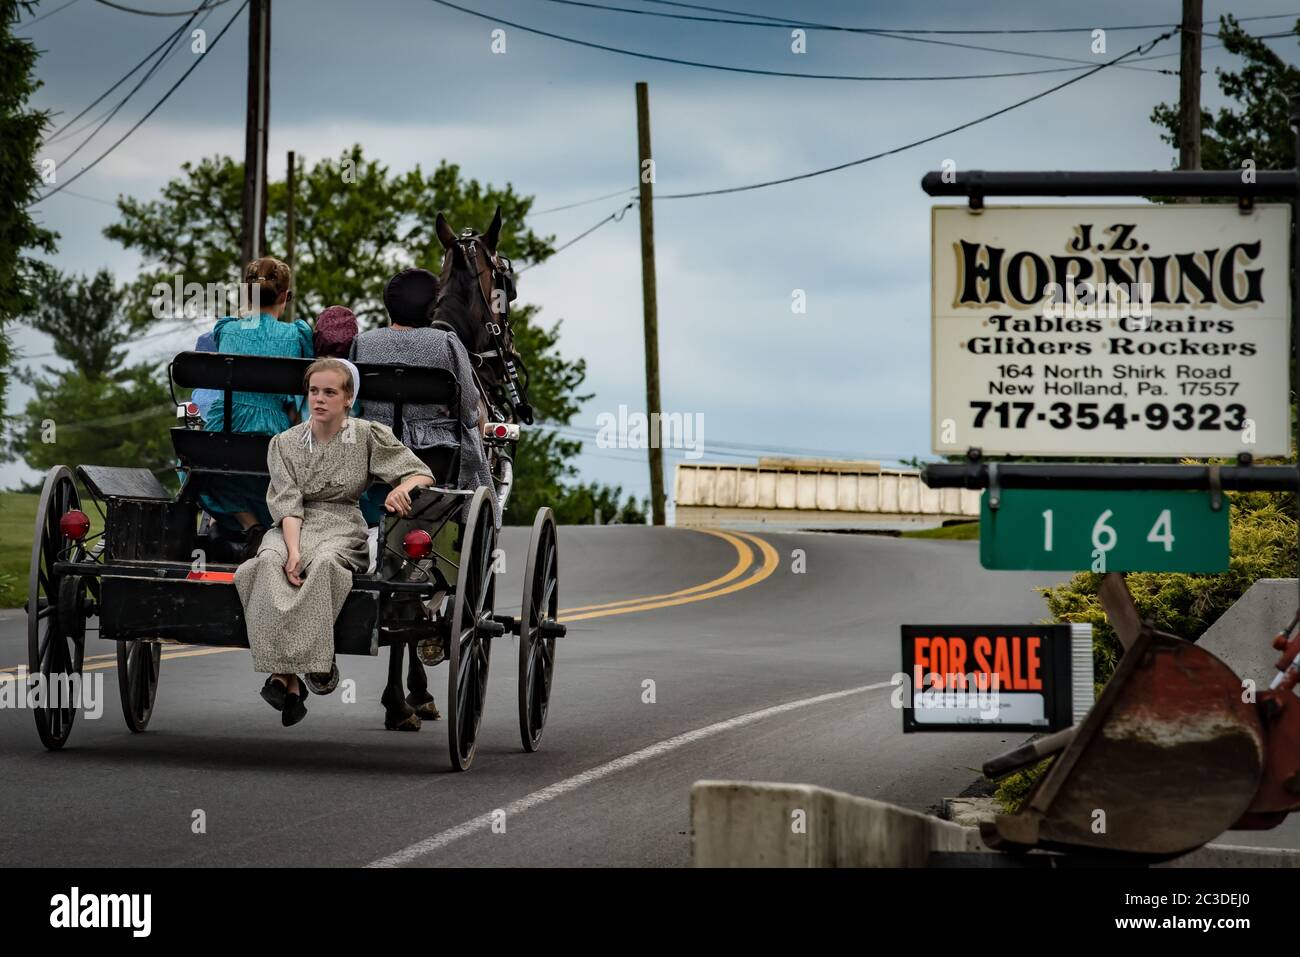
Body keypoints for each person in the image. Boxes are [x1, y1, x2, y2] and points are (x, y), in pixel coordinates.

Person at [235, 357, 436, 727]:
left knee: (326, 564)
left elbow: (420, 473)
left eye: (330, 392)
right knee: (264, 563)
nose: (320, 399)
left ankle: (296, 674)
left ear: (348, 398)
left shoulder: (366, 434)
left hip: (342, 524)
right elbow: (287, 505)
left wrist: (402, 489)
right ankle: (290, 679)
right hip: (292, 524)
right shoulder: (285, 443)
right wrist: (293, 552)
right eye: (314, 391)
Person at [351, 267, 498, 731]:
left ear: (388, 304)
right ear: (431, 308)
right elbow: (469, 408)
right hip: (431, 476)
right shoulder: (448, 345)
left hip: (374, 470)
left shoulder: (364, 344)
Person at [199, 257, 314, 560]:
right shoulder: (297, 334)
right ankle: (272, 533)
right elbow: (302, 391)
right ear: (284, 297)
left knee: (205, 472)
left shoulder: (225, 328)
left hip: (223, 427)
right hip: (270, 430)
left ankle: (250, 526)